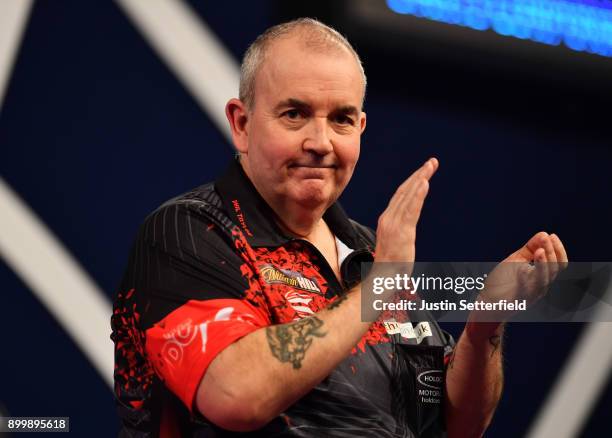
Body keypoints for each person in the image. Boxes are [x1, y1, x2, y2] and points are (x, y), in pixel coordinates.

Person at [111, 18, 568, 437]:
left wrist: (485, 323)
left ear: (361, 128)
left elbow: (459, 425)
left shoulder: (372, 249)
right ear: (242, 123)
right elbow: (235, 397)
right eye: (294, 114)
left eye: (341, 119)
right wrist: (381, 286)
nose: (320, 142)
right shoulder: (189, 231)